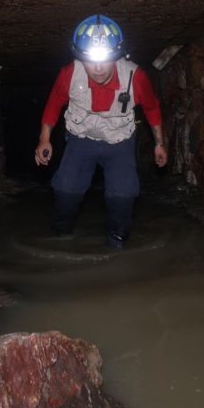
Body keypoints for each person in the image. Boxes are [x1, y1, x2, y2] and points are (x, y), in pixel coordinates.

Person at [34, 14, 168, 247]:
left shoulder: (135, 77)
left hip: (119, 142)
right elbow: (54, 103)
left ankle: (117, 243)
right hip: (81, 139)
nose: (97, 68)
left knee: (123, 196)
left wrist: (159, 143)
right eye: (90, 60)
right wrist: (44, 139)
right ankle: (60, 237)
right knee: (66, 191)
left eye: (104, 61)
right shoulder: (69, 74)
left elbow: (152, 107)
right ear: (80, 56)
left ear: (116, 55)